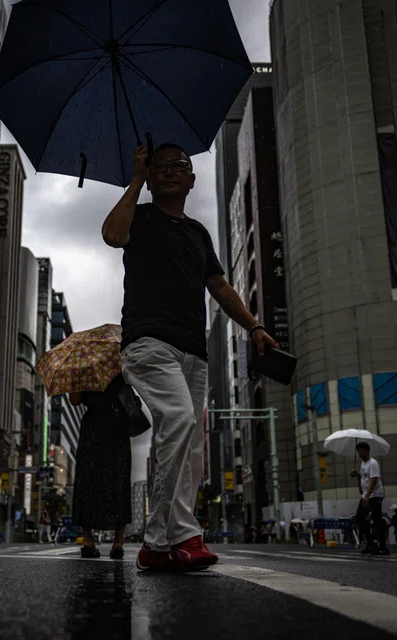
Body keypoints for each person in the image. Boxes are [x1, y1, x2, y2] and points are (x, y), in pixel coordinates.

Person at [102, 142, 278, 572]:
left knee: (191, 447)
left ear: (191, 179)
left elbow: (219, 287)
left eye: (178, 166)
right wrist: (135, 180)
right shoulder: (140, 217)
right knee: (179, 420)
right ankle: (178, 536)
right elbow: (112, 236)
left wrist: (253, 326)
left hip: (193, 351)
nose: (168, 172)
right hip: (148, 342)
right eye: (159, 166)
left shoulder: (199, 232)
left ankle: (159, 545)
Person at [69, 374, 133, 560]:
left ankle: (88, 540)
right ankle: (118, 542)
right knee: (119, 479)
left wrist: (76, 380)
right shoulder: (119, 363)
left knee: (87, 480)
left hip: (92, 427)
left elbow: (74, 401)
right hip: (117, 425)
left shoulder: (83, 368)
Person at [350, 442, 389, 556]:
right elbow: (364, 479)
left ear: (367, 450)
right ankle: (371, 544)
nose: (359, 453)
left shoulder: (373, 463)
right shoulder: (363, 464)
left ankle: (383, 547)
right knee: (359, 519)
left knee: (377, 521)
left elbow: (374, 480)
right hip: (366, 495)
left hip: (375, 495)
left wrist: (367, 496)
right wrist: (357, 475)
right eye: (358, 451)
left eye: (361, 450)